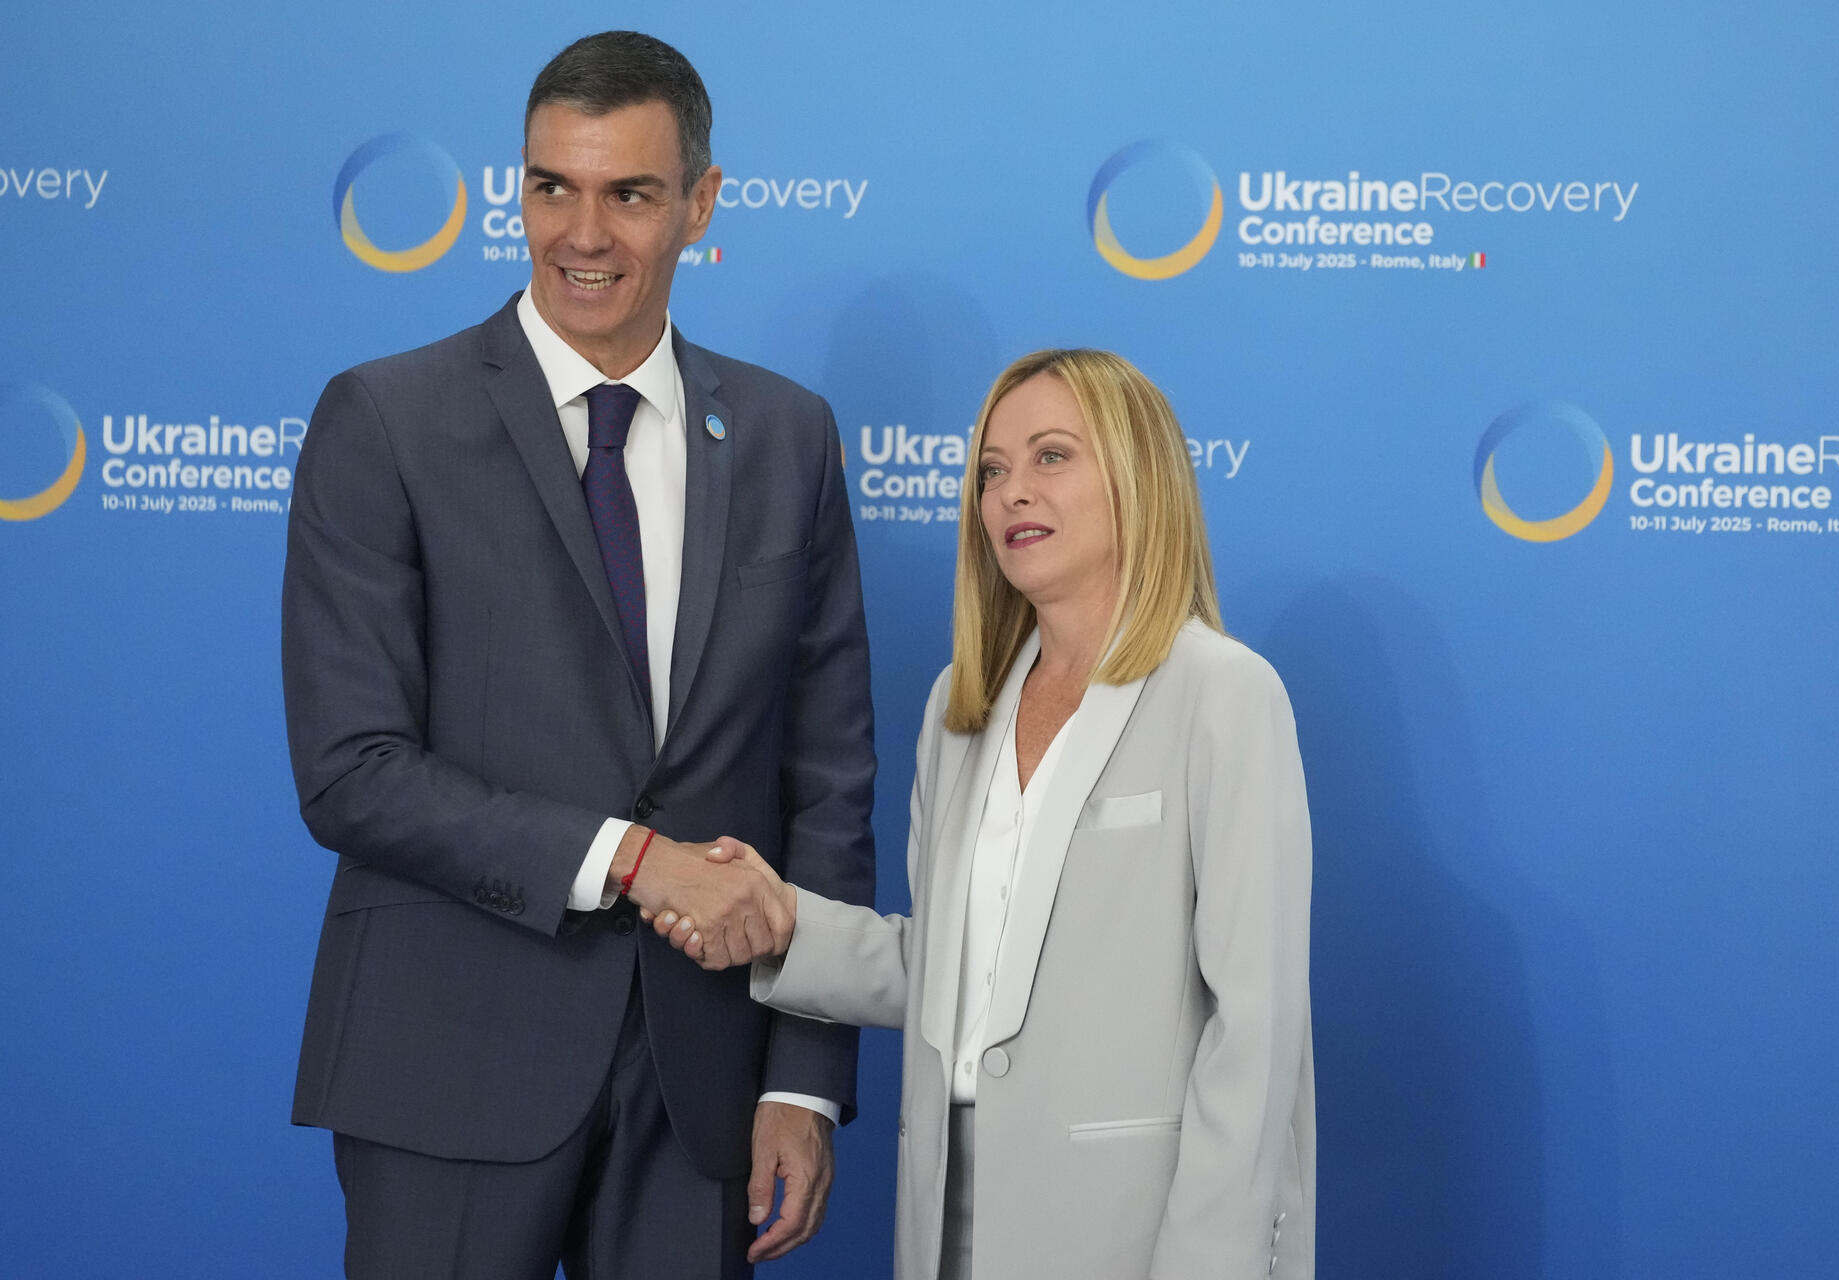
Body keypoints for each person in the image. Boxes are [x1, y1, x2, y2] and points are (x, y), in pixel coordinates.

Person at [280, 31, 875, 1280]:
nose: (582, 233)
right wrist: (639, 860)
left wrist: (806, 1086)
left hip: (702, 1087)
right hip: (449, 1064)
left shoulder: (785, 436)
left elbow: (829, 781)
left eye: (630, 193)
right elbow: (352, 767)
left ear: (703, 204)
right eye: (551, 186)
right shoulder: (385, 418)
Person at [658, 349, 1315, 1278]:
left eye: (1051, 457)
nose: (1011, 493)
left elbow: (1253, 1028)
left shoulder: (1224, 694)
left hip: (1134, 1231)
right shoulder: (960, 709)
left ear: (1139, 475)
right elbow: (955, 971)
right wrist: (781, 924)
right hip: (952, 1211)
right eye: (993, 470)